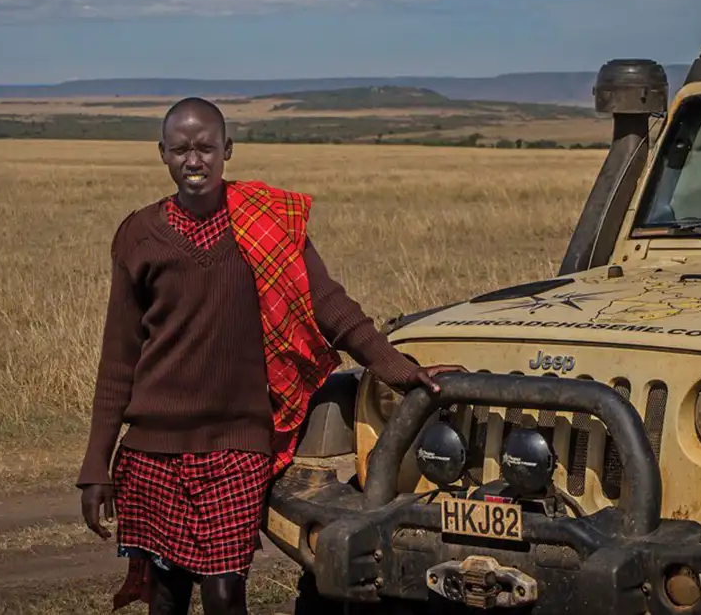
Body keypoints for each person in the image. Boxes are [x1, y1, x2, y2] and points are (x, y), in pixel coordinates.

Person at [76, 97, 461, 615]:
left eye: (206, 148)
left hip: (238, 444)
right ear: (162, 153)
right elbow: (119, 359)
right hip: (153, 448)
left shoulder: (268, 224)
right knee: (166, 594)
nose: (194, 161)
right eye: (181, 150)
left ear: (228, 149)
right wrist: (96, 465)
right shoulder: (139, 235)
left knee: (225, 591)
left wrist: (399, 371)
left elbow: (332, 308)